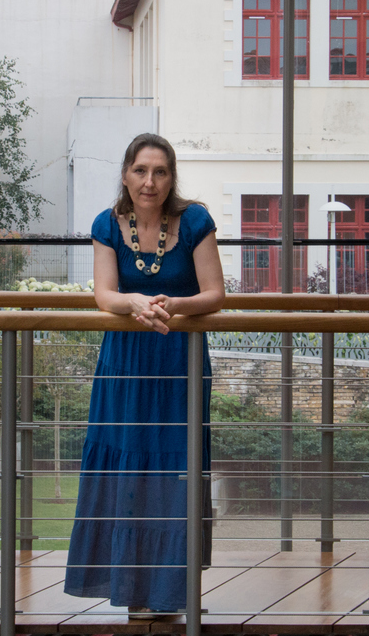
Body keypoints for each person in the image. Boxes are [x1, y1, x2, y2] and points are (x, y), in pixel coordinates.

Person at [63, 133, 225, 617]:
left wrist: (173, 305)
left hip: (179, 361)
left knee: (175, 469)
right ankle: (133, 592)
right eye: (140, 171)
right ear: (125, 174)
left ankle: (170, 595)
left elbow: (215, 294)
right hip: (125, 366)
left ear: (172, 178)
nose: (149, 181)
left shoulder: (195, 221)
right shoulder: (106, 224)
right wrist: (133, 302)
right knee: (127, 468)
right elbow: (105, 294)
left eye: (160, 172)